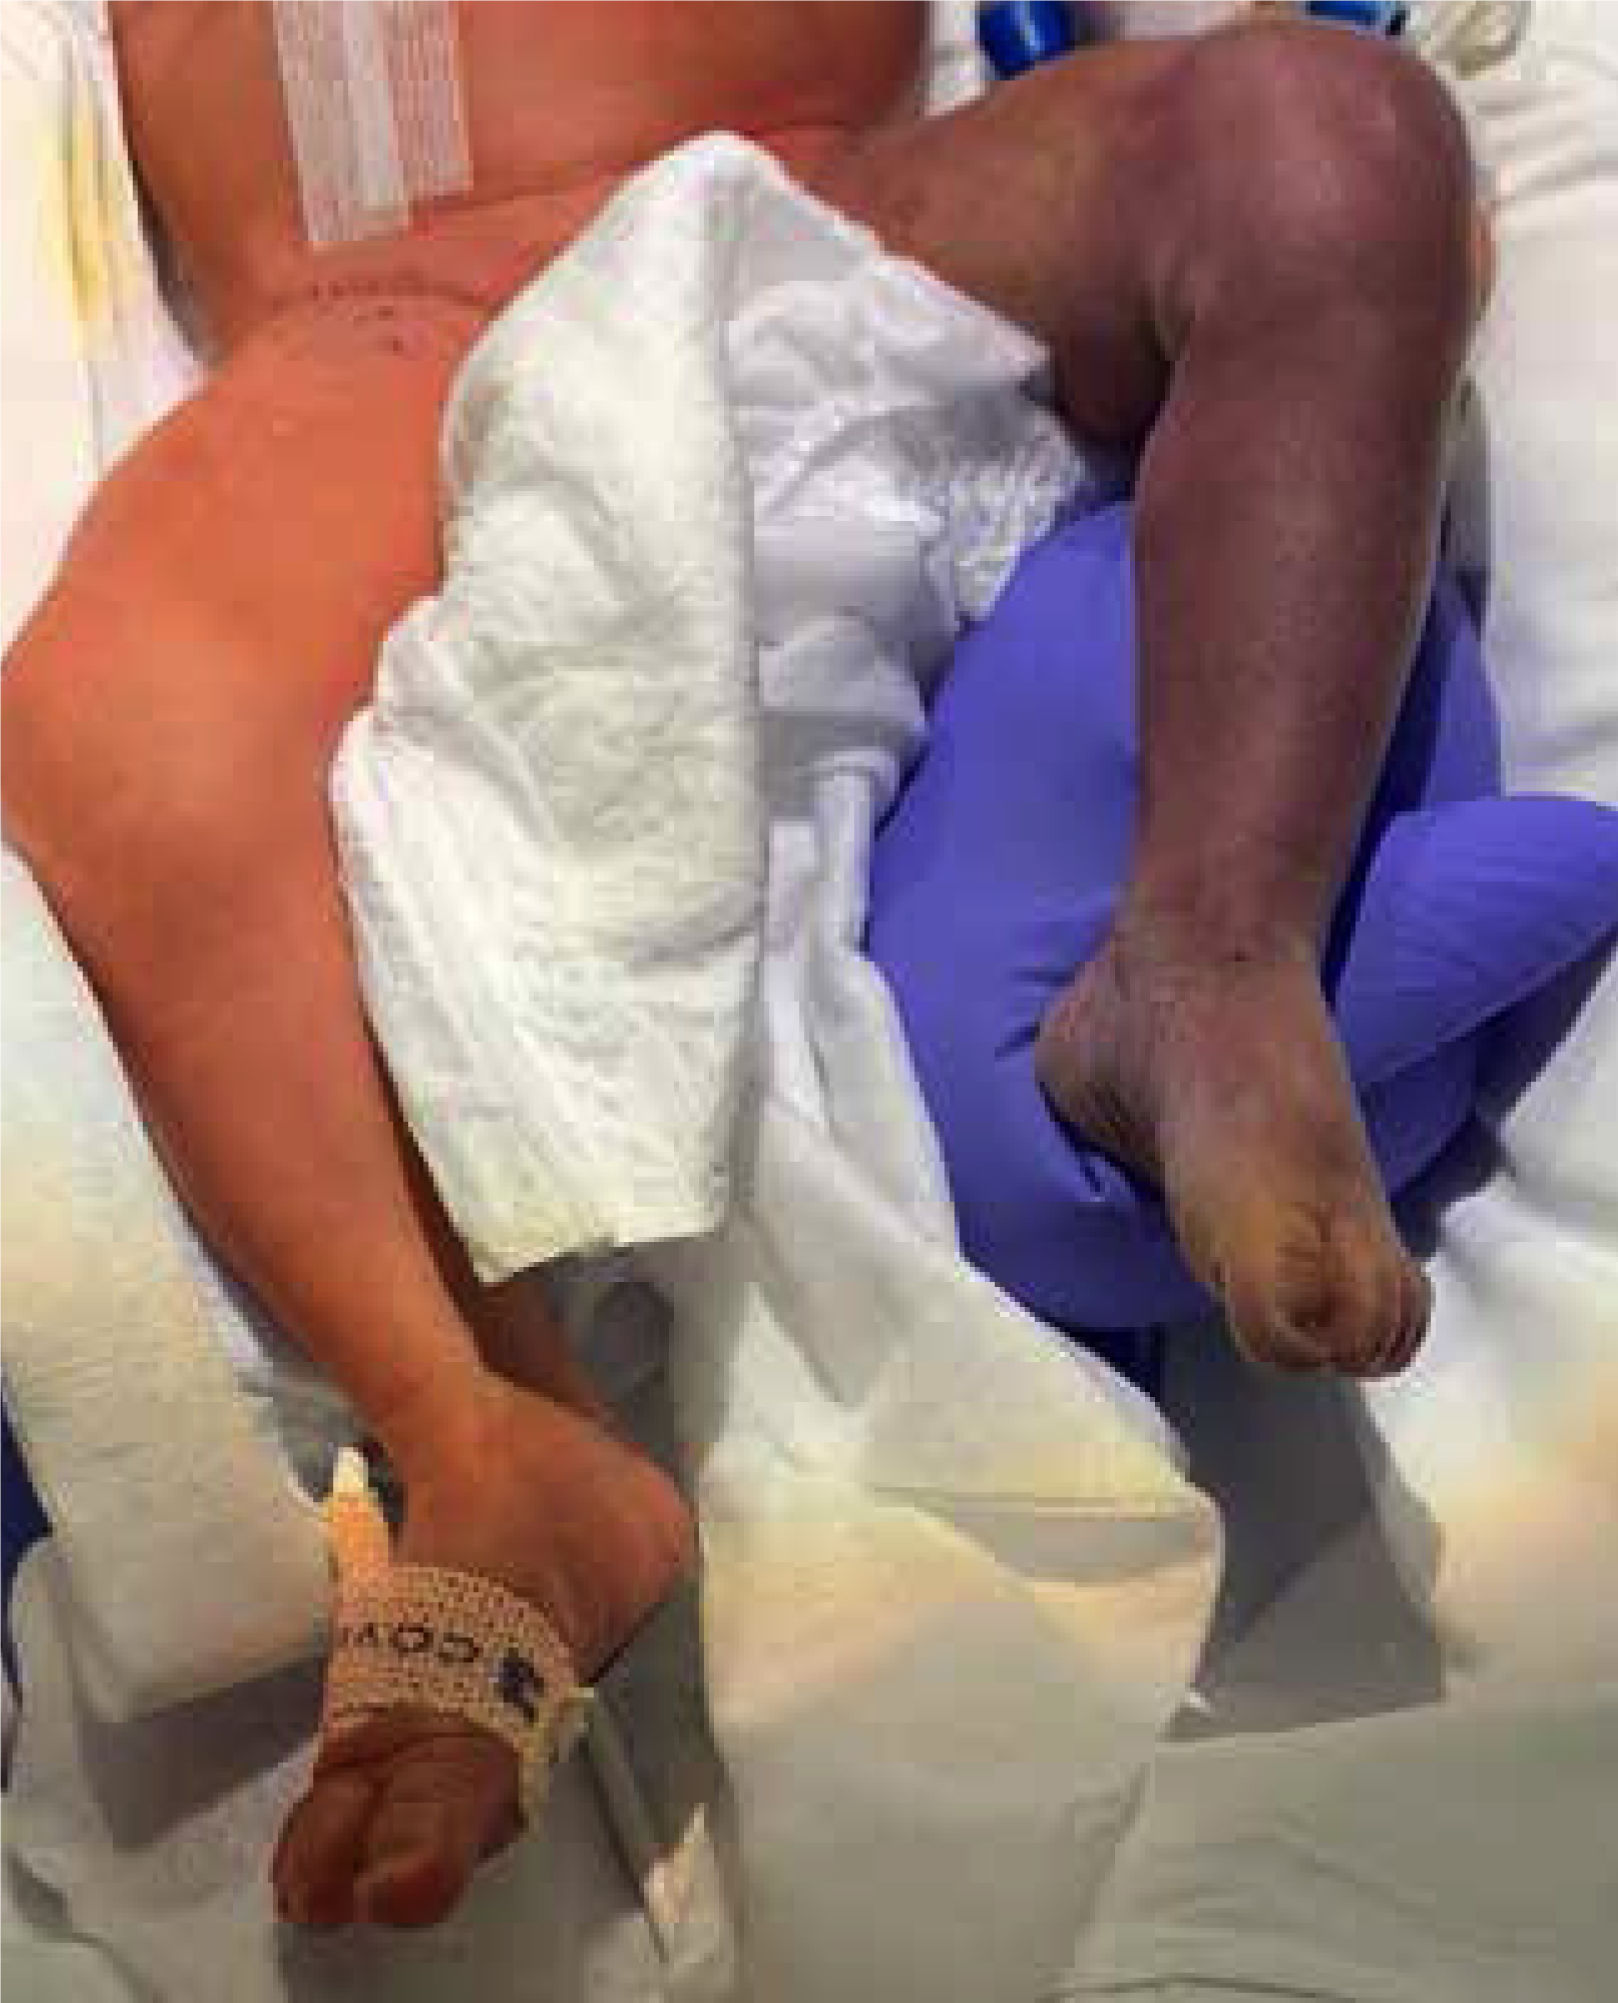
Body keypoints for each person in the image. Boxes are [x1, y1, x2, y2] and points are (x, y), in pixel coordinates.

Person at [0, 0, 1487, 1929]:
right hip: (382, 331)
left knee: (1328, 131)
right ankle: (490, 1438)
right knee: (116, 730)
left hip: (838, 210)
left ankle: (1212, 946)